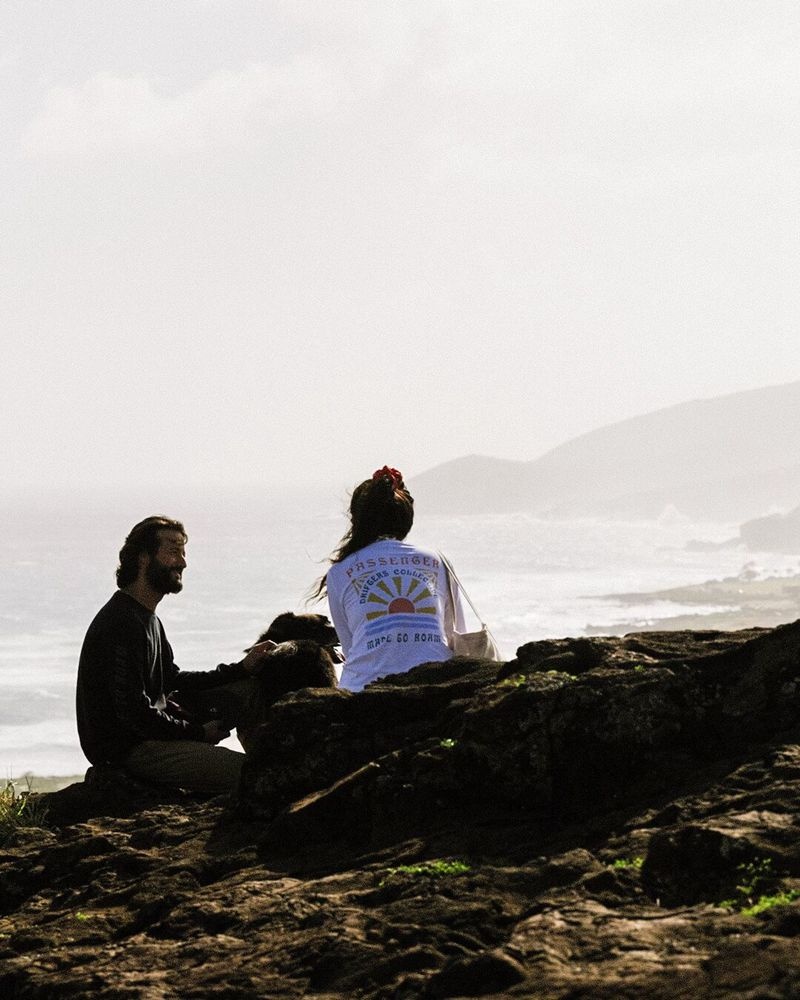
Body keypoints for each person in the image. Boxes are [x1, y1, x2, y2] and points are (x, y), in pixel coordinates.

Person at [76, 516, 277, 794]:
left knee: (249, 689)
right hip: (132, 749)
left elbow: (172, 678)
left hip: (155, 732)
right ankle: (268, 778)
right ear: (144, 558)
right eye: (173, 551)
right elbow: (133, 713)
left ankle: (271, 758)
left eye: (183, 552)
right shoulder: (121, 622)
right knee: (251, 773)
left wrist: (241, 668)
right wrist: (197, 733)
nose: (183, 562)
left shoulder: (148, 618)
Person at [313, 466, 467, 692]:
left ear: (358, 519)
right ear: (407, 518)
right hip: (434, 685)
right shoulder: (437, 560)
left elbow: (351, 647)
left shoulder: (340, 572)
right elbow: (457, 633)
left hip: (362, 690)